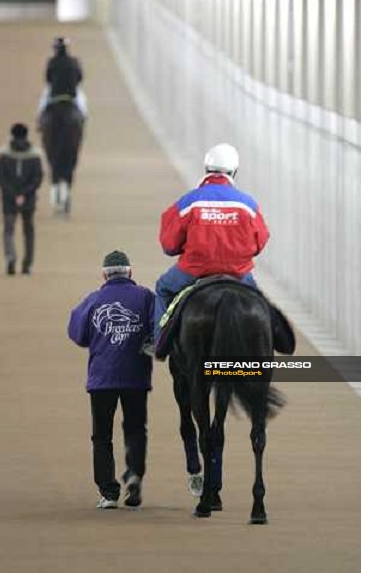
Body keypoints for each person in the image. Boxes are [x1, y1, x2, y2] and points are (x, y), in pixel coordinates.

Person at [154, 143, 270, 345]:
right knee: (259, 306)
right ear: (234, 172)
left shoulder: (188, 202)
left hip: (193, 270)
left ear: (207, 169)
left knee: (163, 288)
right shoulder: (248, 204)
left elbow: (169, 245)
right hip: (238, 272)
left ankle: (159, 341)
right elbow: (260, 242)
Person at [68, 251, 155, 509]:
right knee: (136, 429)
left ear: (104, 274)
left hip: (102, 379)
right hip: (136, 377)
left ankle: (108, 492)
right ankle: (135, 475)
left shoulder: (93, 300)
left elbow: (78, 334)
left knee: (102, 435)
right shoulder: (146, 297)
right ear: (130, 272)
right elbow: (157, 329)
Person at [40, 37, 85, 215]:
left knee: (42, 105)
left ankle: (40, 122)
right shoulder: (75, 62)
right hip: (71, 99)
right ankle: (82, 124)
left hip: (54, 99)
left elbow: (48, 80)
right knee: (82, 110)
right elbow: (80, 78)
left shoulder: (52, 62)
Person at [0, 123, 43, 275]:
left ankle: (10, 257)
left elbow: (0, 177)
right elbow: (37, 178)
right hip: (28, 199)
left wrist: (13, 194)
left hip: (9, 199)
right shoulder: (34, 156)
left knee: (8, 230)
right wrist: (23, 194)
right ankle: (27, 264)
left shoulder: (4, 155)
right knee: (28, 231)